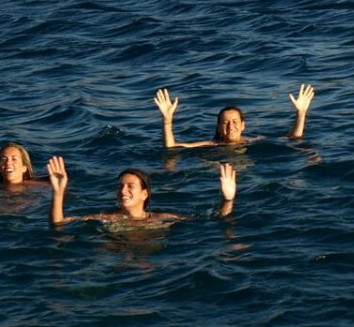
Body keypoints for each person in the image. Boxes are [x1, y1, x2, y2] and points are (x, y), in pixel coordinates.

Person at [47, 156, 236, 225]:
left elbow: (216, 220)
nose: (123, 190)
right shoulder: (106, 217)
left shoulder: (160, 219)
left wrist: (228, 200)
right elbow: (59, 223)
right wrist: (58, 192)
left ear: (145, 194)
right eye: (120, 186)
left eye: (130, 186)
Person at [154, 84, 315, 148]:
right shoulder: (211, 145)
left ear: (243, 125)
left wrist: (301, 113)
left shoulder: (254, 140)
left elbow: (294, 138)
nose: (231, 126)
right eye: (225, 122)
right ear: (218, 127)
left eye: (235, 121)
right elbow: (171, 147)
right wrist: (167, 121)